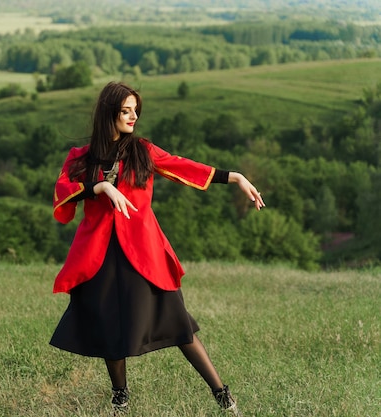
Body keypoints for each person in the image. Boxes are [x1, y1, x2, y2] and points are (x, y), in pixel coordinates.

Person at [50, 81, 265, 415]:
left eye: (136, 109)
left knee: (178, 324)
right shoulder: (82, 157)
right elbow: (64, 190)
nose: (134, 116)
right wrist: (101, 186)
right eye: (126, 110)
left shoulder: (142, 151)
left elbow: (184, 167)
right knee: (108, 326)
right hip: (99, 255)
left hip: (143, 253)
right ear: (109, 113)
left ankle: (223, 395)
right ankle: (120, 396)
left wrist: (234, 176)